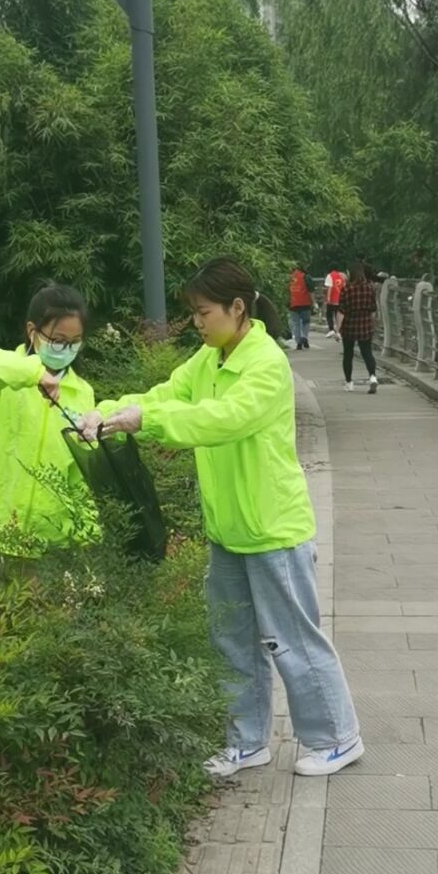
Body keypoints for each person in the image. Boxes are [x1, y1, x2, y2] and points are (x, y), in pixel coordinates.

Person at [77, 258, 363, 780]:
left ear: (237, 308)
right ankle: (246, 742)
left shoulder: (265, 364)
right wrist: (110, 409)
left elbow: (223, 420)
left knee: (292, 640)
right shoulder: (209, 359)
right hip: (228, 529)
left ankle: (337, 738)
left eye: (203, 312)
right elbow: (166, 394)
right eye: (193, 313)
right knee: (230, 639)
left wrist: (148, 420)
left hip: (272, 528)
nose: (197, 322)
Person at [0, 282, 98, 581]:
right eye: (58, 340)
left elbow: (79, 471)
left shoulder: (82, 393)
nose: (66, 349)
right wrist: (31, 373)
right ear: (32, 331)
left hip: (44, 543)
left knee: (38, 612)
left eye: (75, 342)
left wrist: (87, 531)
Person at [339, 261, 379, 393]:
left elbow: (341, 310)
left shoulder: (346, 289)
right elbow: (373, 309)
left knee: (348, 354)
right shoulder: (370, 288)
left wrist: (338, 328)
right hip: (365, 323)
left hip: (350, 324)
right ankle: (372, 376)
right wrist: (372, 324)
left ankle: (349, 382)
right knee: (367, 352)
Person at [288, 265, 315, 350]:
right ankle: (304, 337)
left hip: (293, 304)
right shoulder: (306, 277)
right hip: (305, 304)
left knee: (296, 324)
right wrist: (314, 302)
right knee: (306, 322)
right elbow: (311, 291)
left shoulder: (289, 278)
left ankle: (298, 342)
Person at [324, 267, 346, 336]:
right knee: (338, 315)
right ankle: (339, 330)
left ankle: (331, 329)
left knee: (329, 314)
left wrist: (328, 298)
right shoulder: (342, 276)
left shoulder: (330, 275)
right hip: (340, 299)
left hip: (332, 300)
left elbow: (329, 287)